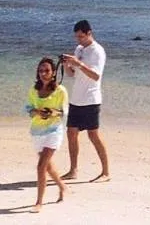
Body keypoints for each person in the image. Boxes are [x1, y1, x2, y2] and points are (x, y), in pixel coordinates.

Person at [61, 19, 110, 182]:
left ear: (89, 33)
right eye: (77, 37)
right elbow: (71, 74)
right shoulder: (79, 49)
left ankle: (105, 172)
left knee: (93, 135)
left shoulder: (98, 51)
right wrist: (67, 64)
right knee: (71, 133)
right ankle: (73, 170)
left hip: (91, 98)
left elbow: (96, 76)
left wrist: (79, 63)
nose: (79, 40)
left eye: (81, 37)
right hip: (76, 98)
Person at [25, 57, 68, 212]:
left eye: (47, 70)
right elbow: (28, 109)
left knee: (40, 166)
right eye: (41, 70)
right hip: (37, 131)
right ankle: (62, 186)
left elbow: (64, 112)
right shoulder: (33, 90)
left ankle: (39, 202)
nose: (44, 73)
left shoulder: (60, 91)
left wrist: (52, 113)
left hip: (54, 131)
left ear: (53, 72)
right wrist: (36, 111)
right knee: (48, 166)